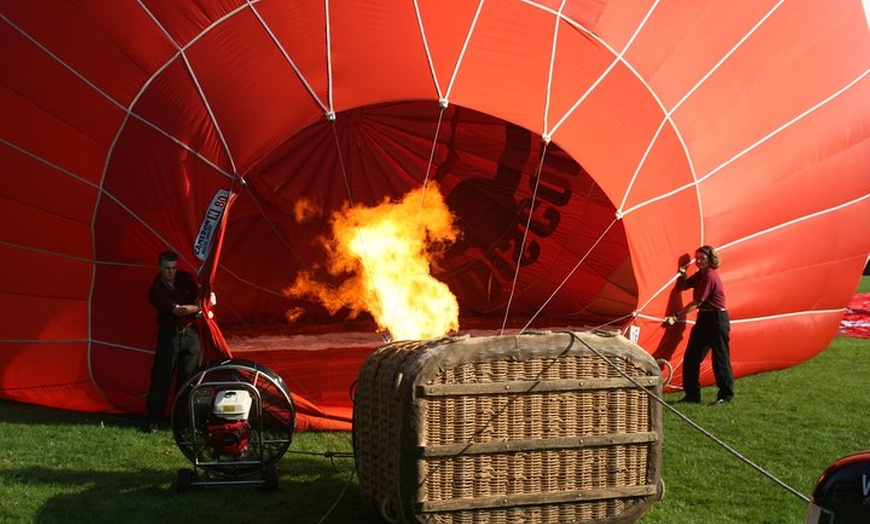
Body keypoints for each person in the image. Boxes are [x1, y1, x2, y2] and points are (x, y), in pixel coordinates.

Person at [665, 245, 734, 405]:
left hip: (717, 319)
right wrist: (682, 273)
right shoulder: (700, 274)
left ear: (710, 259)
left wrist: (676, 316)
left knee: (720, 359)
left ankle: (725, 396)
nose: (699, 261)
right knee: (691, 357)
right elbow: (683, 286)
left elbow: (697, 302)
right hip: (704, 318)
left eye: (703, 258)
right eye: (697, 258)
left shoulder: (710, 276)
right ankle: (692, 396)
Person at [144, 250, 203, 432]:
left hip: (191, 335)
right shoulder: (156, 290)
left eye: (174, 268)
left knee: (189, 378)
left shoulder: (184, 278)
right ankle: (154, 420)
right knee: (162, 377)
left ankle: (183, 422)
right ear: (160, 268)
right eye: (167, 268)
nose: (171, 272)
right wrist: (199, 307)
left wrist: (205, 300)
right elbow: (178, 310)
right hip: (170, 336)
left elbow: (198, 294)